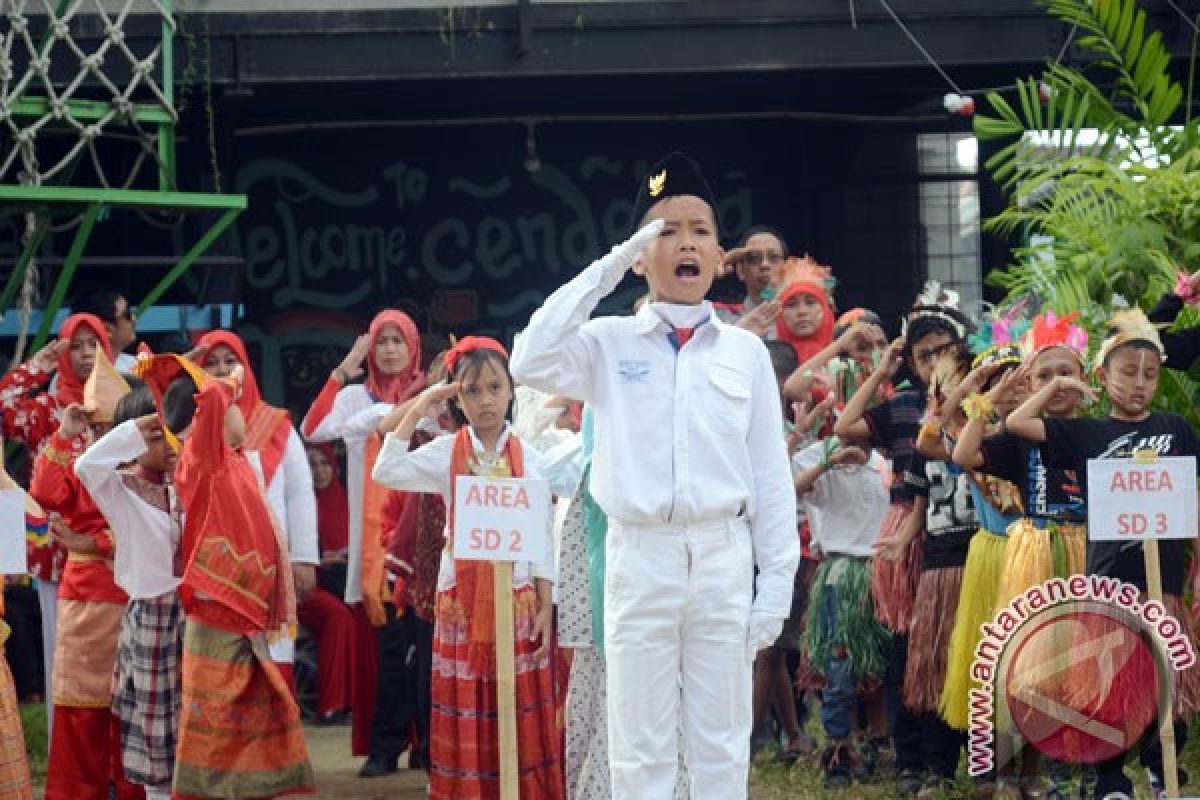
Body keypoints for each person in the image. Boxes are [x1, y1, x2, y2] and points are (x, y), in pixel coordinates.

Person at [510, 151, 799, 800]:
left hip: (723, 556)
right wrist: (613, 264)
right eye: (666, 232)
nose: (686, 243)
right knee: (639, 749)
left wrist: (775, 585)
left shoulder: (745, 354)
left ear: (720, 254)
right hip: (639, 557)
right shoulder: (608, 345)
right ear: (642, 254)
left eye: (700, 230)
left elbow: (770, 477)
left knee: (721, 745)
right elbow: (529, 358)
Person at [1004, 309, 1200, 799]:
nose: (1139, 384)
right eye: (1128, 373)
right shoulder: (1084, 433)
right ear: (1103, 376)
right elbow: (1016, 421)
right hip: (1110, 582)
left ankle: (1165, 771)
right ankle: (1110, 780)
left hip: (1164, 582)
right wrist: (1060, 384)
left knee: (1164, 682)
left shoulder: (1175, 427)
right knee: (1110, 688)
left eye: (1150, 375)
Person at [372, 336, 566, 799]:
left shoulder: (530, 458)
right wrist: (421, 405)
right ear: (457, 397)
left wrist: (544, 601)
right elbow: (385, 470)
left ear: (511, 391)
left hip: (518, 599)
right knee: (468, 706)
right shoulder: (445, 453)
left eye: (495, 387)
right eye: (473, 390)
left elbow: (539, 532)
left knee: (517, 707)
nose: (486, 400)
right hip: (460, 601)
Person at [143, 352, 315, 799]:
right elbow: (216, 398)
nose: (243, 411)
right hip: (218, 614)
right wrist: (218, 377)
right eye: (235, 407)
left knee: (250, 725)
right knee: (218, 731)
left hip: (238, 615)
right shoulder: (202, 462)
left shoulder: (234, 461)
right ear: (209, 419)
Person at [833, 283, 971, 796]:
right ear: (910, 359)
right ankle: (909, 756)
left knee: (950, 646)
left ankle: (953, 754)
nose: (932, 360)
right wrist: (882, 371)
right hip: (903, 534)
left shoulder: (980, 400)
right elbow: (847, 425)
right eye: (922, 353)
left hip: (957, 535)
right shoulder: (903, 403)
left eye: (941, 350)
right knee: (906, 648)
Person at [301, 310, 425, 766]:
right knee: (389, 650)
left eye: (398, 340)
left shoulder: (427, 396)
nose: (390, 350)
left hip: (421, 536)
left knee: (424, 646)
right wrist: (345, 368)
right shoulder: (356, 399)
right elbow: (311, 430)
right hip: (375, 546)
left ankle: (424, 745)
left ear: (414, 347)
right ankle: (386, 746)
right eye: (382, 341)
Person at [29, 358, 140, 800]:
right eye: (92, 423)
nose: (97, 431)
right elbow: (43, 494)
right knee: (80, 705)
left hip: (131, 593)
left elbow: (147, 529)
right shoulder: (77, 459)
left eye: (105, 423)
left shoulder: (142, 463)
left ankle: (128, 788)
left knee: (130, 705)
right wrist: (64, 432)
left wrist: (91, 541)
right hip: (84, 597)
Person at [0, 313, 113, 730]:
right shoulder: (48, 409)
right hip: (56, 548)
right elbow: (1, 408)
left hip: (114, 546)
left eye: (94, 345)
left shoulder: (120, 403)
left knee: (113, 657)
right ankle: (64, 754)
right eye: (76, 346)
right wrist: (39, 365)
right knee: (60, 657)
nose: (85, 355)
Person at [74, 386, 183, 800]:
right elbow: (86, 466)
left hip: (196, 615)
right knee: (156, 735)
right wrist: (134, 429)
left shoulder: (192, 482)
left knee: (196, 728)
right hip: (153, 619)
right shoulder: (119, 490)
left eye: (170, 433)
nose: (167, 445)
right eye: (154, 439)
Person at [194, 331, 319, 684]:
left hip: (269, 561)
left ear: (245, 367)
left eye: (229, 361)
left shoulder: (275, 425)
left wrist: (304, 558)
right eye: (211, 364)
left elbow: (299, 494)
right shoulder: (192, 428)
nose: (221, 370)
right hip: (211, 565)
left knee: (272, 654)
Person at [794, 432, 891, 789]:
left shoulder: (886, 464)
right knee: (840, 664)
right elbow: (795, 488)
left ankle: (877, 745)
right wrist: (829, 463)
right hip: (840, 578)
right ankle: (839, 752)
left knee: (880, 666)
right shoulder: (826, 465)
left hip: (880, 574)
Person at [297, 443, 356, 724]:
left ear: (336, 468)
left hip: (341, 581)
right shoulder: (301, 504)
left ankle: (358, 701)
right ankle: (332, 705)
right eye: (312, 465)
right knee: (338, 615)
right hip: (306, 586)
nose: (319, 471)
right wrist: (320, 558)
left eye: (325, 464)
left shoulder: (348, 501)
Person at [712, 226, 788, 336]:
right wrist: (713, 271)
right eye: (754, 258)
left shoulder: (804, 316)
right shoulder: (717, 317)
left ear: (786, 267)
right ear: (740, 270)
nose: (764, 264)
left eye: (774, 257)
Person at [77, 291, 137, 374]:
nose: (133, 318)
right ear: (107, 329)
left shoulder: (134, 365)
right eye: (127, 314)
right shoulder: (83, 374)